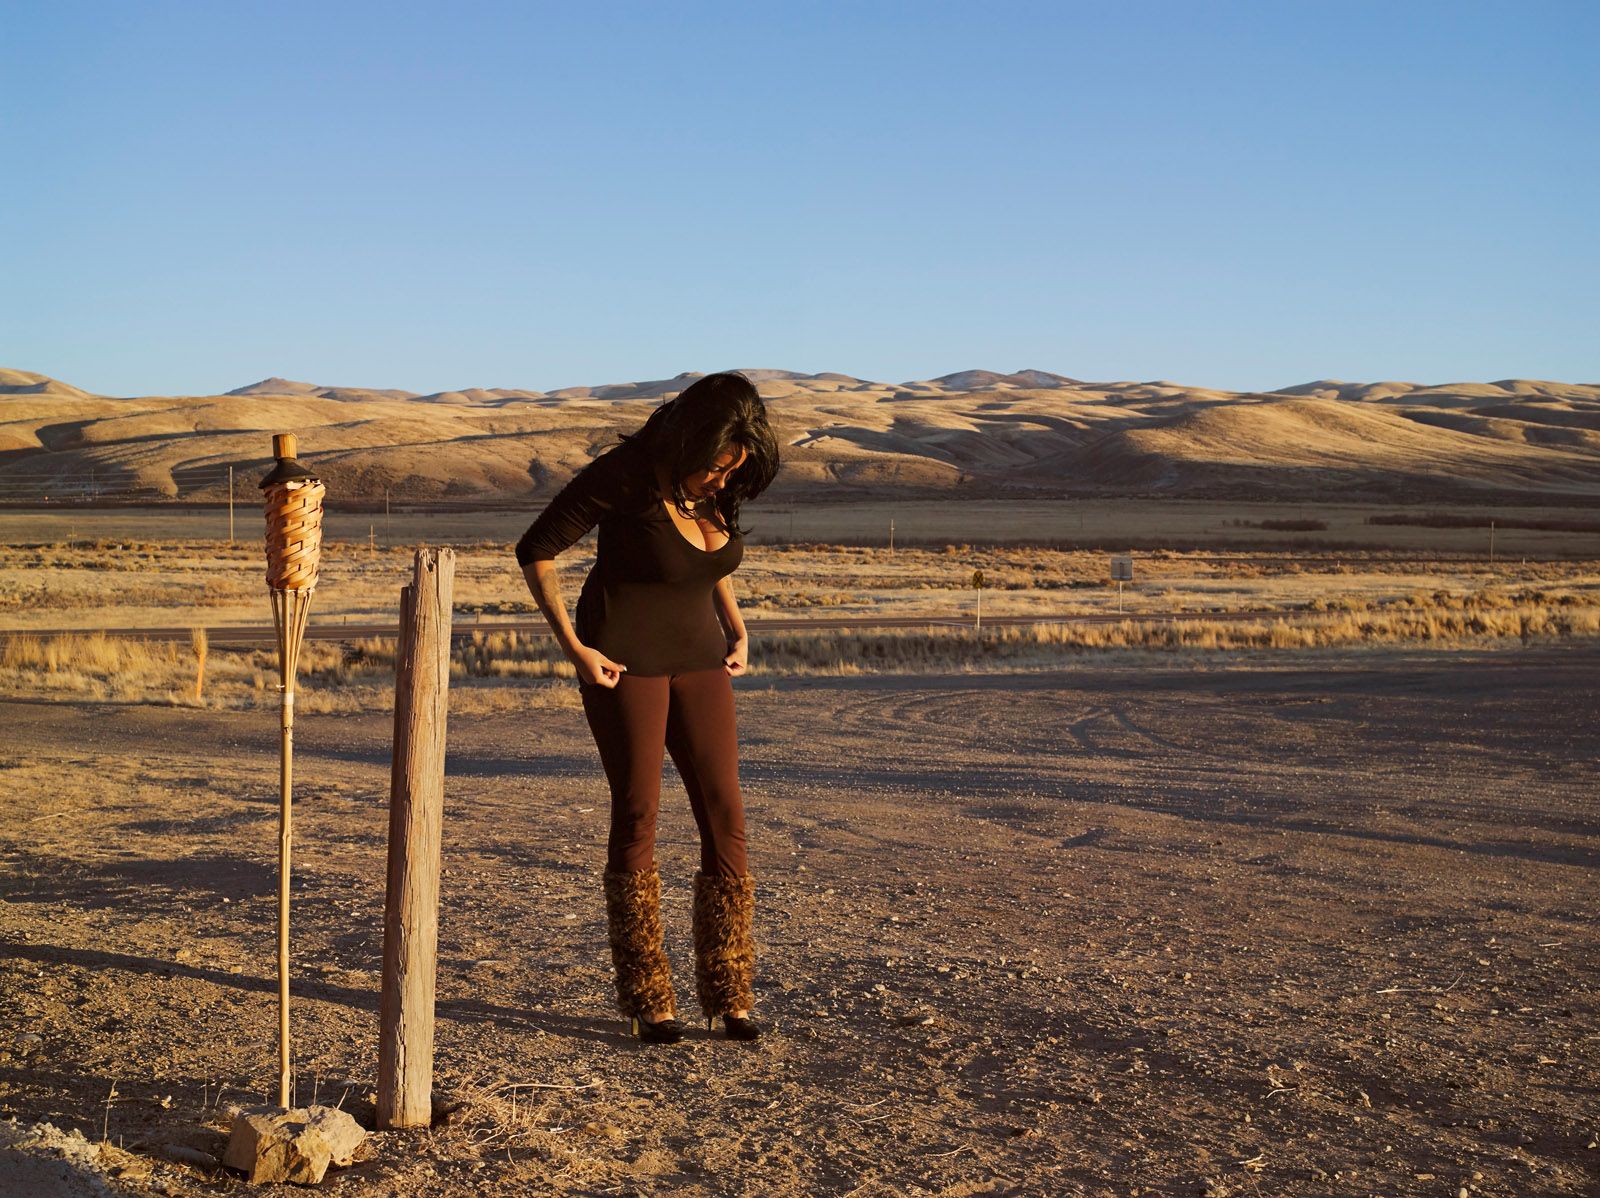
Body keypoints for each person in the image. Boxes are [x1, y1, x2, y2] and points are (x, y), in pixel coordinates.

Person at [515, 372, 780, 1045]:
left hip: (701, 660)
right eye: (718, 465)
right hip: (624, 664)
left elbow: (706, 568)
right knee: (639, 813)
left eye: (734, 469)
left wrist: (737, 625)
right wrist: (575, 648)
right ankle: (648, 998)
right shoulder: (626, 476)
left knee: (726, 811)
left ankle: (730, 993)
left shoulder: (714, 489)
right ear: (692, 439)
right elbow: (536, 549)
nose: (722, 481)